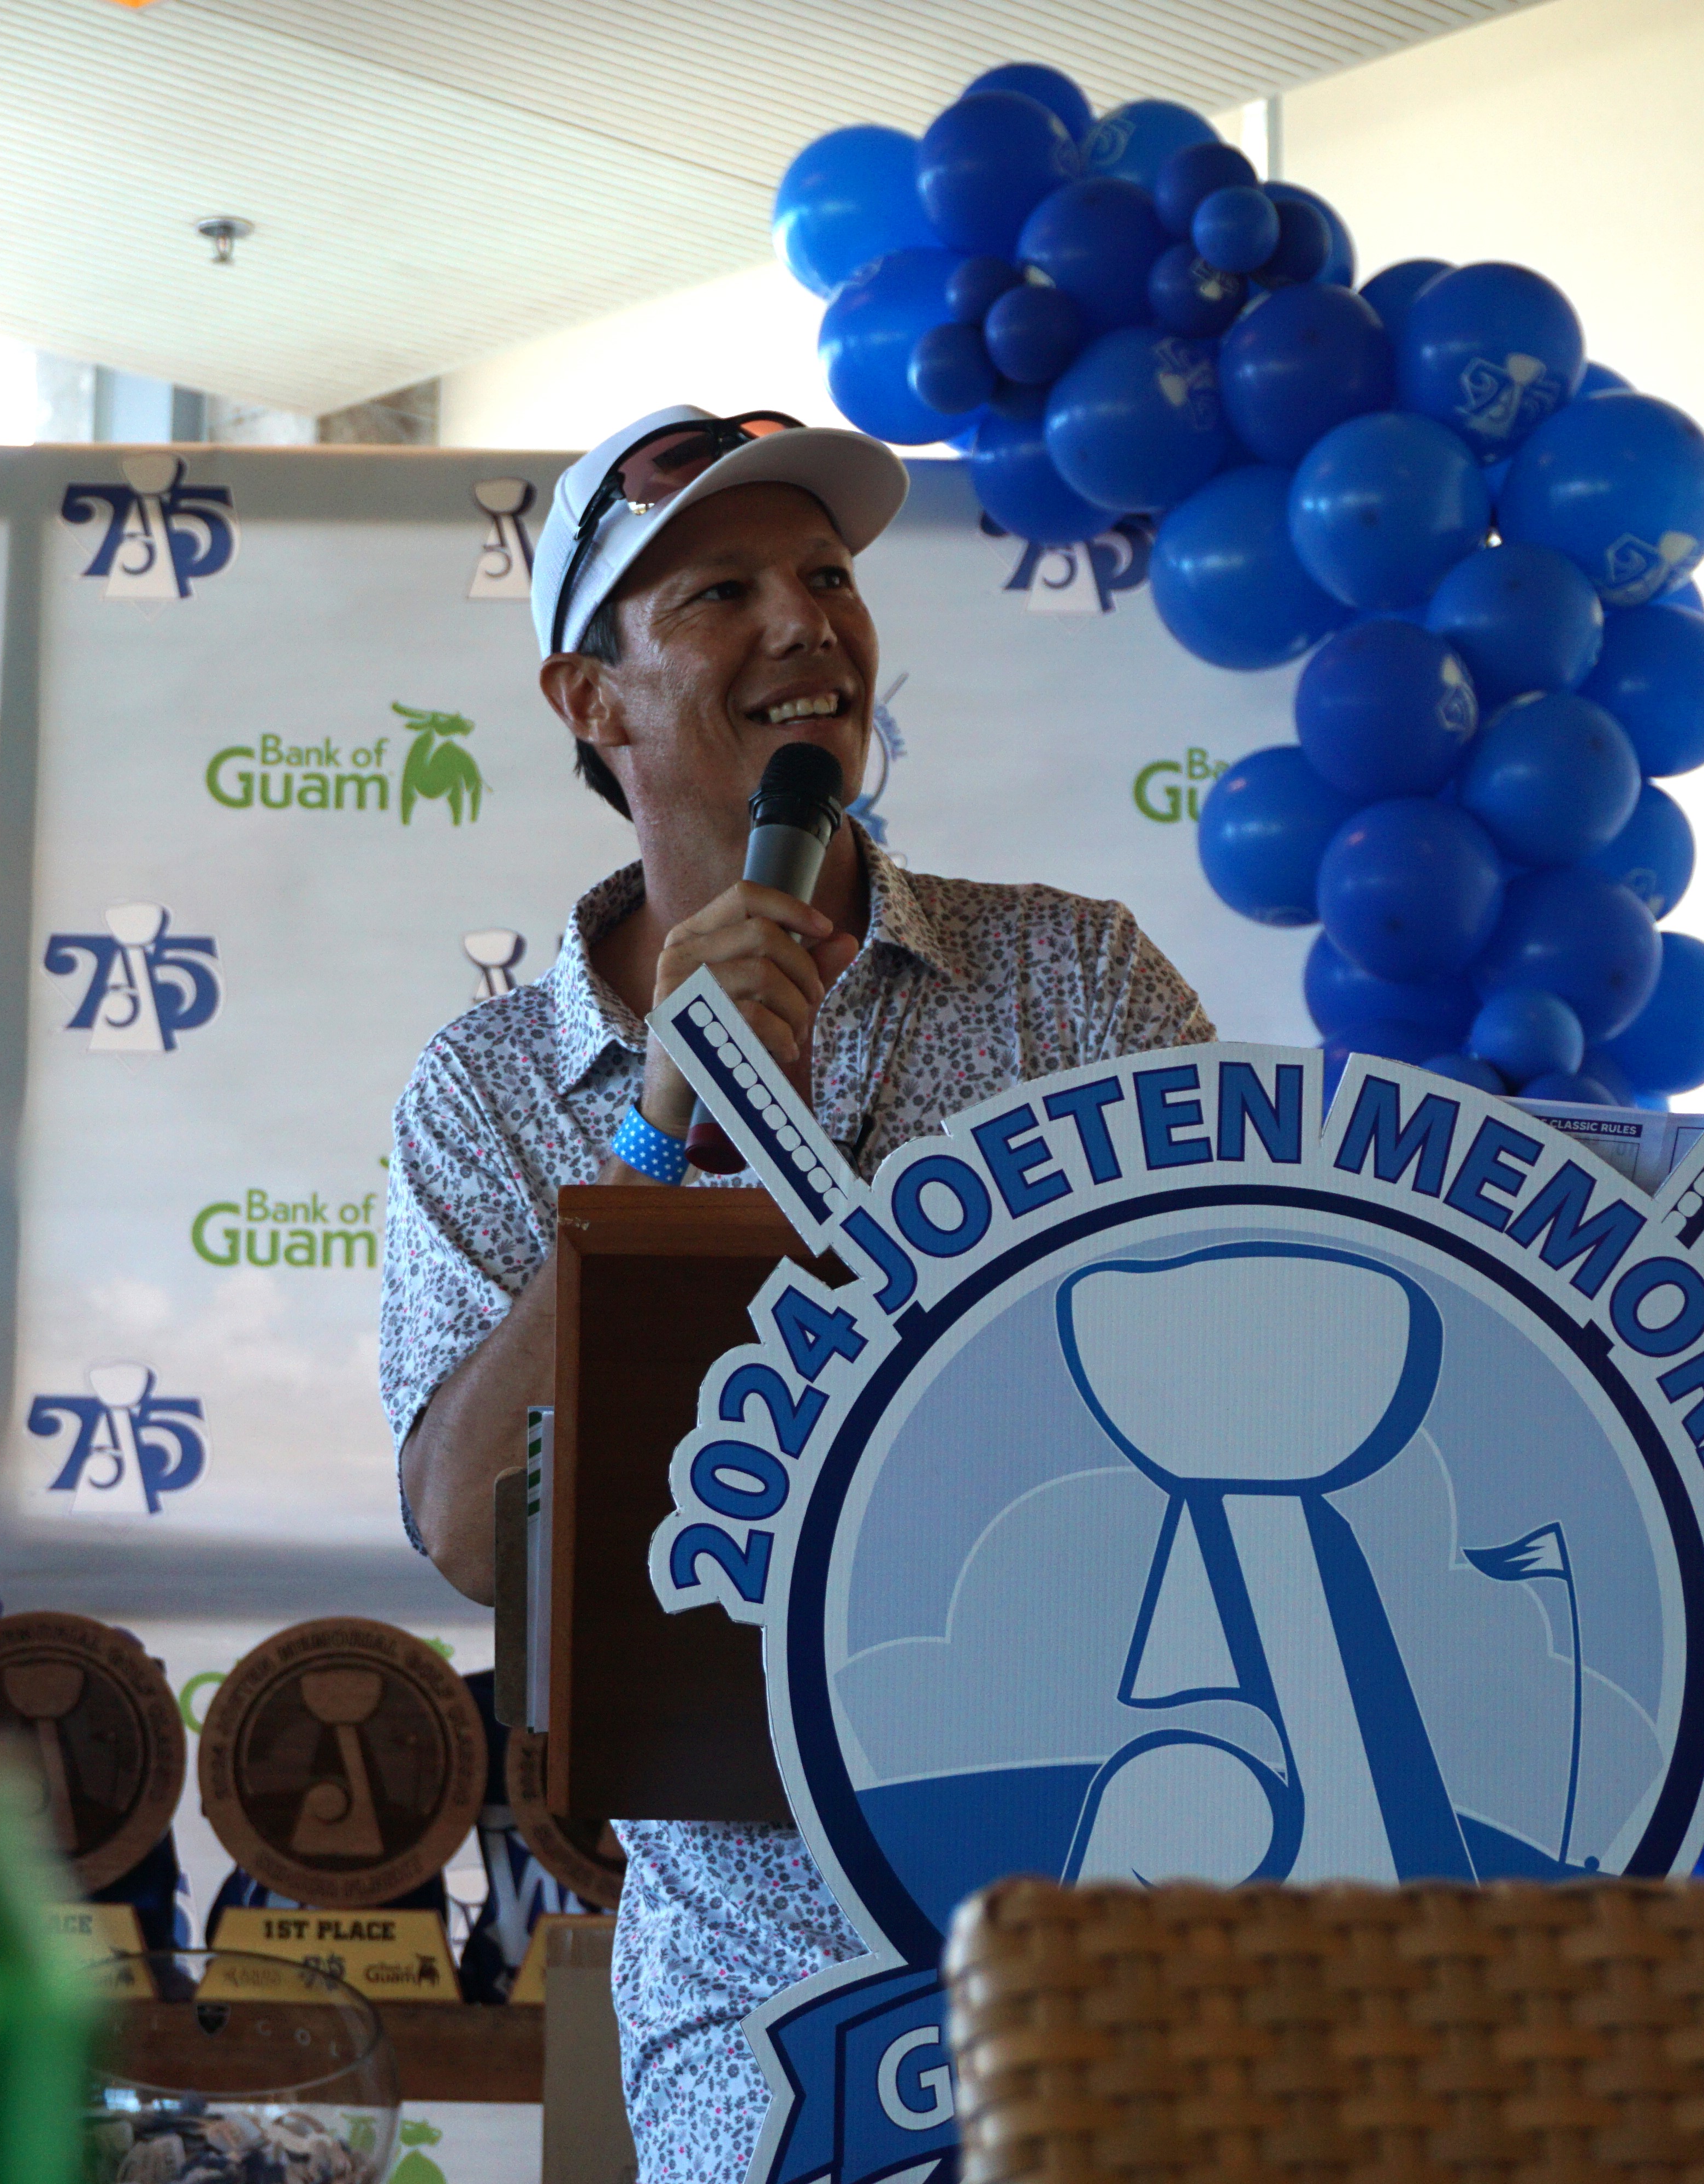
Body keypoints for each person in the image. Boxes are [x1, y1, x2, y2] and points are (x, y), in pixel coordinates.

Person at [377, 405, 1215, 2182]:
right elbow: (465, 1527)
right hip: (763, 2011)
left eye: (829, 576)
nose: (804, 624)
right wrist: (659, 1124)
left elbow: (1247, 1352)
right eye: (720, 593)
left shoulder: (1074, 978)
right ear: (589, 700)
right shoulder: (488, 1089)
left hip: (1128, 1922)